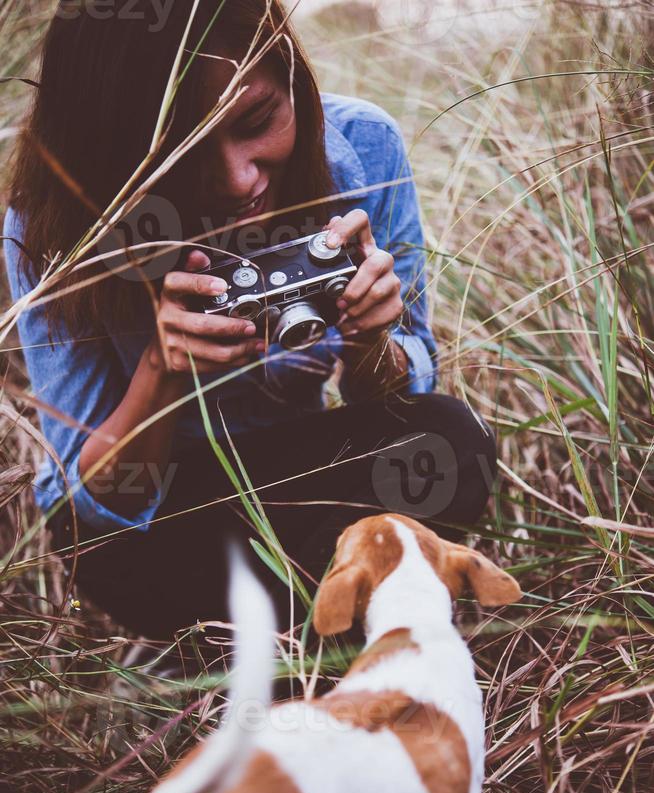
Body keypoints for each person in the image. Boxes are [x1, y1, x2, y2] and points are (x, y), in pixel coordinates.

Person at [4, 0, 496, 641]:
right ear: (117, 153)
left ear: (292, 75)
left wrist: (373, 338)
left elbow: (401, 405)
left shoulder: (364, 149)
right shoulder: (52, 224)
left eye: (259, 120)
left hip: (295, 479)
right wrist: (162, 369)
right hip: (158, 527)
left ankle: (253, 653)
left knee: (448, 445)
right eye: (188, 154)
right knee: (112, 553)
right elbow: (98, 510)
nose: (238, 180)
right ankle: (319, 639)